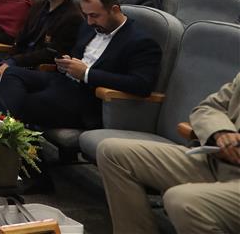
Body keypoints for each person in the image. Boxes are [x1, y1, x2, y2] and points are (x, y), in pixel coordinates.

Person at [0, 0, 162, 130]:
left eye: (94, 15)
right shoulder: (89, 27)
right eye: (86, 15)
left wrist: (87, 74)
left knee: (23, 103)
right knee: (10, 74)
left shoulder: (141, 41)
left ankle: (0, 135)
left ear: (115, 10)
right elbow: (76, 56)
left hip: (87, 96)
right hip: (62, 80)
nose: (89, 22)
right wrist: (66, 63)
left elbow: (141, 85)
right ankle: (3, 135)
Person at [98, 73, 240, 234]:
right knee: (112, 152)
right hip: (218, 161)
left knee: (182, 201)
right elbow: (207, 108)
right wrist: (221, 132)